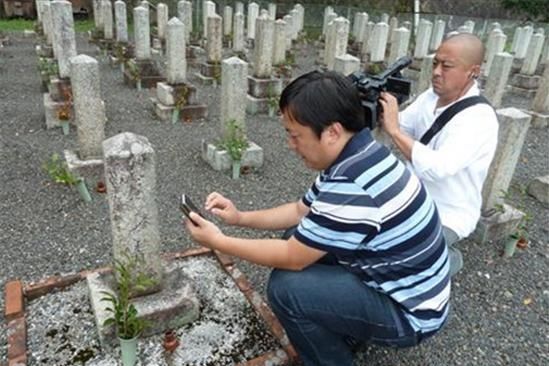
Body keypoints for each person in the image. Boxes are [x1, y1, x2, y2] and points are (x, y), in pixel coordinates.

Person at [184, 71, 450, 366]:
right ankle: (344, 328)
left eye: (295, 135)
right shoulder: (359, 153)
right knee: (296, 233)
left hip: (411, 313)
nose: (290, 145)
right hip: (403, 284)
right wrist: (238, 217)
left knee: (287, 289)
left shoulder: (353, 182)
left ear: (333, 132)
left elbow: (293, 257)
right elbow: (300, 211)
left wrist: (219, 241)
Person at [379, 33, 499, 277]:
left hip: (447, 212)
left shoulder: (479, 119)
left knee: (404, 265)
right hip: (409, 197)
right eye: (436, 63)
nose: (436, 71)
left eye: (447, 66)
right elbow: (403, 124)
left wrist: (393, 129)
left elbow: (439, 168)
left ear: (472, 71)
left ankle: (449, 258)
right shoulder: (430, 97)